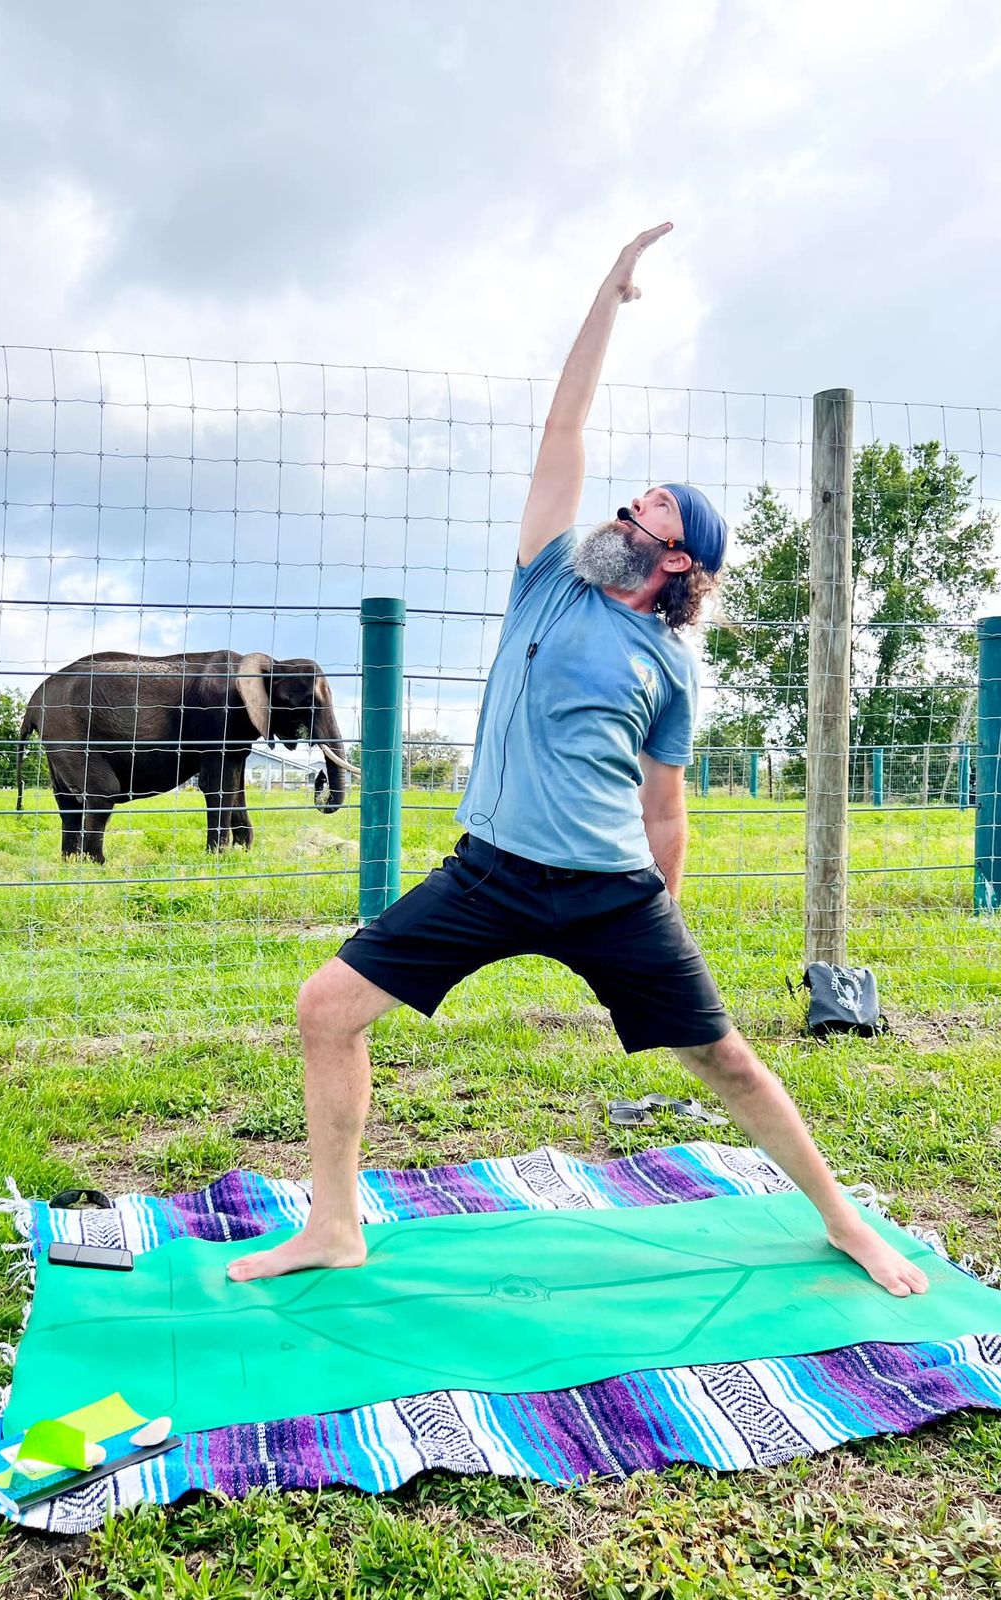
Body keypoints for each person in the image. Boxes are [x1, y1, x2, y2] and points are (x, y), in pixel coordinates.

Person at [228, 223, 928, 1300]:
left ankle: (844, 1223)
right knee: (328, 1006)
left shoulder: (671, 668)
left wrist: (668, 921)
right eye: (632, 492)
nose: (627, 505)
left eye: (652, 505)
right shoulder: (549, 577)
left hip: (611, 893)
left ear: (679, 557)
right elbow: (566, 424)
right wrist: (609, 293)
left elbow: (667, 813)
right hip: (491, 871)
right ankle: (333, 1225)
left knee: (725, 1059)